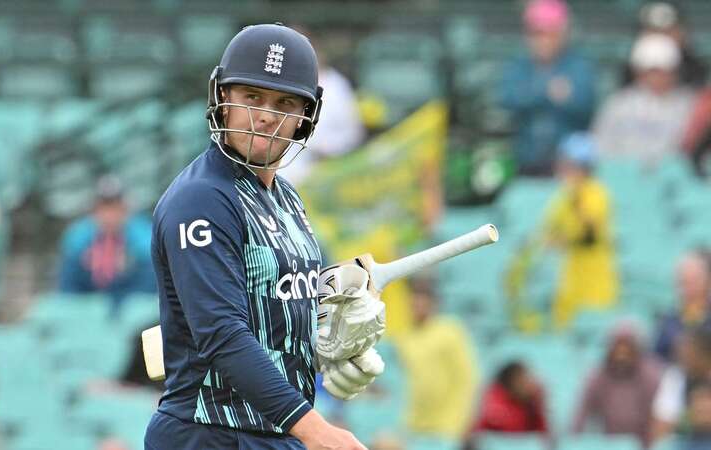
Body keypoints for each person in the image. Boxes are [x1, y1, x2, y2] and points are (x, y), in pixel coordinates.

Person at [144, 24, 386, 450]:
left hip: (275, 433)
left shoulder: (288, 199)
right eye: (252, 97)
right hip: (210, 433)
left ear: (305, 118)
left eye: (284, 102)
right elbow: (222, 333)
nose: (267, 115)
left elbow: (275, 320)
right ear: (223, 99)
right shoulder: (202, 198)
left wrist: (332, 343)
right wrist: (317, 430)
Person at [499, 0, 595, 177]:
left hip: (568, 166)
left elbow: (585, 105)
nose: (543, 40)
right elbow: (508, 99)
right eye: (537, 33)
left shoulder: (577, 66)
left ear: (563, 34)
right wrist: (546, 91)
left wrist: (535, 93)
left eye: (550, 33)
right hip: (525, 160)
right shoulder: (519, 66)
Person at [543, 133, 618, 329]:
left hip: (596, 285)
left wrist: (575, 199)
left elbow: (590, 233)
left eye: (569, 165)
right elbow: (549, 237)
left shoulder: (597, 193)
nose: (564, 170)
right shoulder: (561, 197)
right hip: (569, 285)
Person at [593, 33, 696, 166]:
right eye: (652, 71)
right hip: (623, 177)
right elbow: (600, 146)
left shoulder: (689, 105)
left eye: (664, 71)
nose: (658, 78)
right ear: (639, 72)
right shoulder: (619, 104)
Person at [278, 27, 365, 185]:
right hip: (277, 175)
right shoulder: (273, 84)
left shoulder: (336, 86)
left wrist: (326, 150)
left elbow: (352, 134)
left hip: (320, 177)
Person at [394, 276, 478, 439]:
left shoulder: (450, 331)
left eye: (422, 299)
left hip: (448, 424)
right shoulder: (404, 337)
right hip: (414, 425)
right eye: (413, 299)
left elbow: (467, 377)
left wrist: (461, 420)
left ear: (433, 303)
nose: (417, 305)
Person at [58, 175, 155, 311]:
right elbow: (68, 290)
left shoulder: (143, 235)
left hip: (132, 310)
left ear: (125, 209)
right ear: (94, 210)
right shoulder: (78, 237)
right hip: (88, 312)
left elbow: (150, 287)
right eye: (104, 208)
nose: (109, 215)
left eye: (115, 208)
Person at [571, 319, 663, 446]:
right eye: (618, 346)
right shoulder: (598, 376)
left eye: (627, 346)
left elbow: (660, 418)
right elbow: (580, 416)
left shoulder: (651, 376)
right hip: (610, 444)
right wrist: (572, 444)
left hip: (644, 443)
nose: (622, 353)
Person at [621, 2, 708, 88]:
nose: (661, 37)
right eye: (654, 30)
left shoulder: (696, 69)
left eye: (668, 31)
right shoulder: (630, 70)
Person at [651, 325, 711, 443]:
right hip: (688, 441)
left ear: (704, 353)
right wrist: (689, 419)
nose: (682, 355)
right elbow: (661, 425)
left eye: (688, 350)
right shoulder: (675, 376)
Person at [654, 253, 711, 363]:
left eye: (693, 281)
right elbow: (657, 358)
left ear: (707, 281)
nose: (688, 287)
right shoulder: (668, 320)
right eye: (683, 282)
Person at [469, 360, 549, 435]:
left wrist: (539, 405)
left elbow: (546, 435)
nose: (527, 384)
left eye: (527, 379)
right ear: (510, 382)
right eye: (521, 381)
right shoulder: (495, 400)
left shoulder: (532, 404)